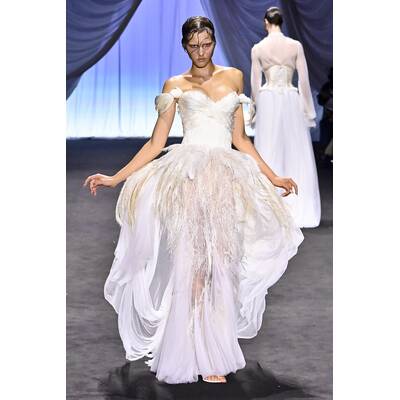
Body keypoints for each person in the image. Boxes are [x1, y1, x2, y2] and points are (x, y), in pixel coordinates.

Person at [84, 16, 303, 385]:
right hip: (188, 178)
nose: (201, 51)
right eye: (194, 45)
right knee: (195, 265)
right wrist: (115, 178)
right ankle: (192, 352)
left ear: (213, 41)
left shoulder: (234, 77)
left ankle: (214, 350)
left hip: (226, 180)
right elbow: (156, 142)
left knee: (222, 264)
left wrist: (273, 176)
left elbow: (241, 140)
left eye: (207, 43)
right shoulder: (175, 85)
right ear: (185, 46)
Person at [250, 7, 321, 228]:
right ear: (281, 22)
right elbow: (304, 80)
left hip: (268, 99)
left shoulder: (258, 48)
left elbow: (255, 83)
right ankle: (299, 205)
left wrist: (253, 108)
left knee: (268, 148)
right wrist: (308, 109)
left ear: (266, 22)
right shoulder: (295, 46)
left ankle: (270, 209)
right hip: (290, 98)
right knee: (295, 148)